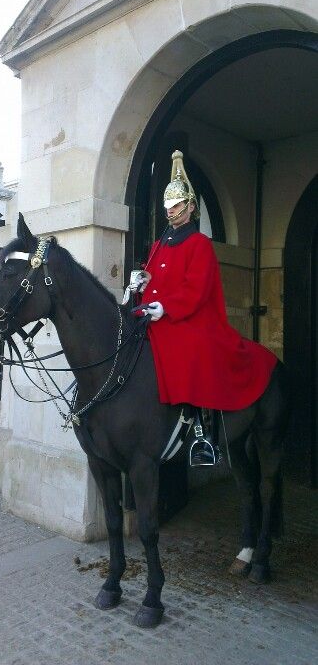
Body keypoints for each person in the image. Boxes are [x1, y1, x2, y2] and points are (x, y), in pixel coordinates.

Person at [129, 150, 277, 465]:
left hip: (192, 318)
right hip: (157, 317)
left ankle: (201, 431)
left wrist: (163, 307)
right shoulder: (159, 245)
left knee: (192, 350)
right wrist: (141, 285)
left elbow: (195, 291)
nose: (170, 212)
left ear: (191, 207)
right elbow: (154, 279)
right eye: (167, 206)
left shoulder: (200, 244)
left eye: (177, 205)